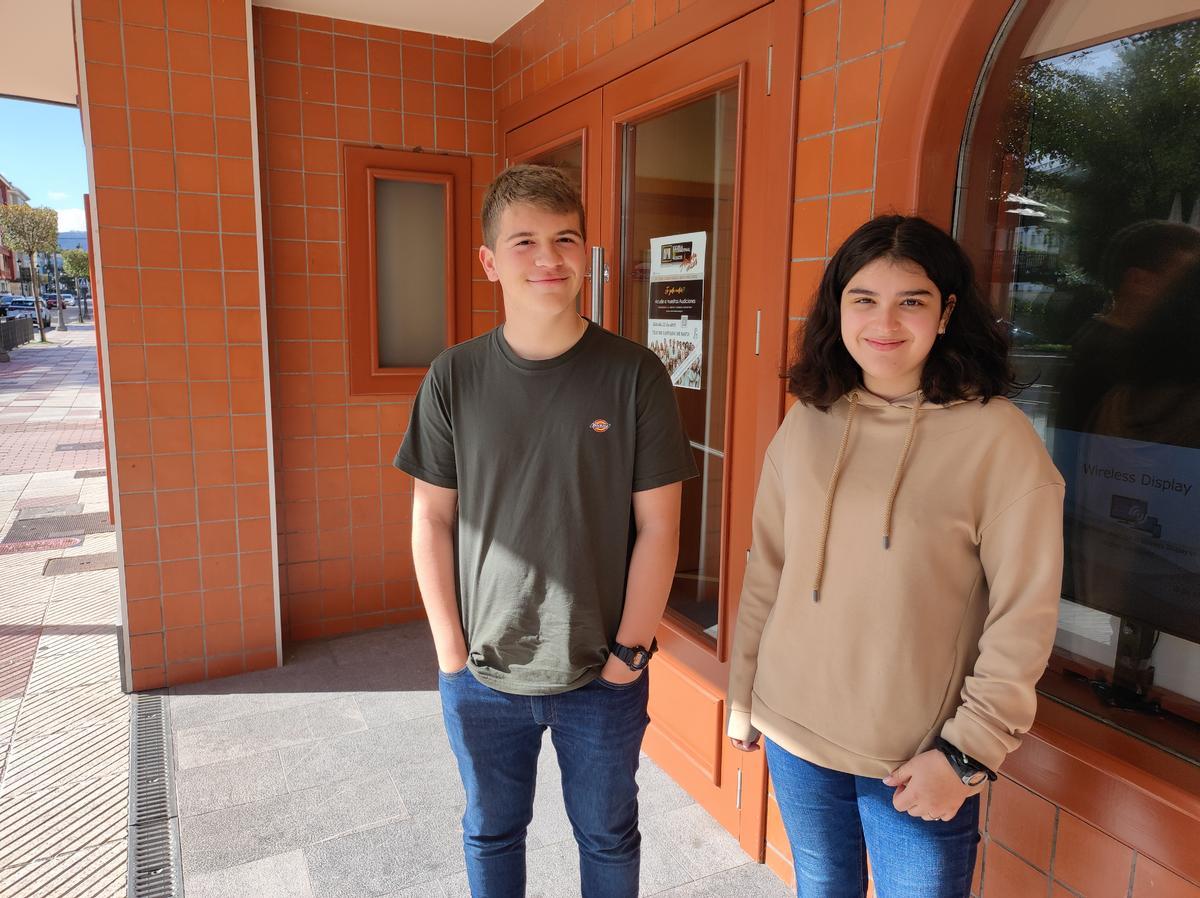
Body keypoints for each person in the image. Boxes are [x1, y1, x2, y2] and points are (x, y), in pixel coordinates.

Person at [726, 215, 1065, 897]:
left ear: (947, 313)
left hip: (916, 755)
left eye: (910, 300)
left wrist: (968, 753)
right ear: (837, 309)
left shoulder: (998, 439)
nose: (885, 322)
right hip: (794, 731)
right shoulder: (809, 418)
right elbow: (769, 565)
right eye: (863, 299)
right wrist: (745, 694)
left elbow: (1023, 614)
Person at [395, 163, 697, 898]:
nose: (548, 257)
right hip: (482, 671)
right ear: (490, 262)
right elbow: (431, 519)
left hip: (602, 671)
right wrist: (449, 651)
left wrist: (631, 652)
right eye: (524, 241)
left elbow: (659, 527)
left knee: (607, 836)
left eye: (565, 238)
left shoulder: (634, 375)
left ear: (587, 254)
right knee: (491, 832)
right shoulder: (454, 377)